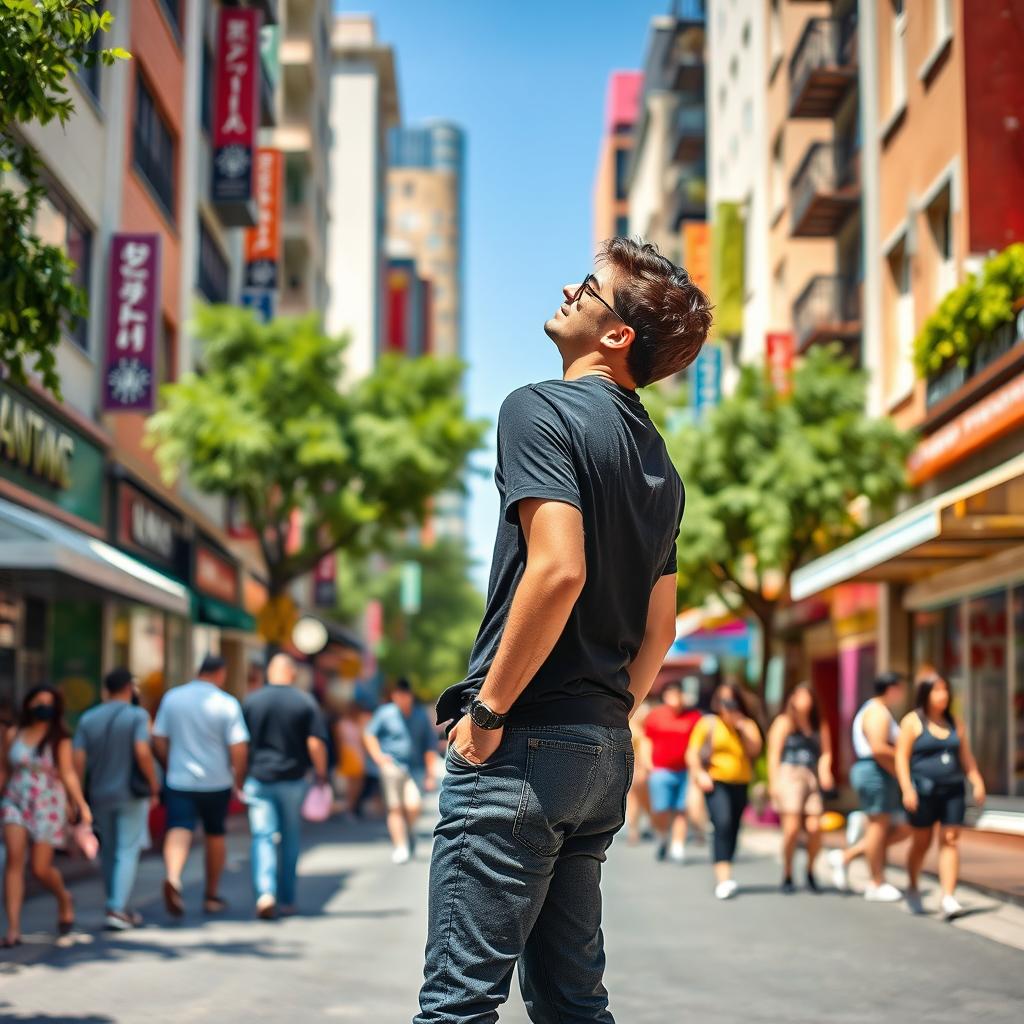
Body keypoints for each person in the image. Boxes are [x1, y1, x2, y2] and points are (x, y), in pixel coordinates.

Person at [415, 237, 710, 1024]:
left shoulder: (538, 408)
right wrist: (611, 716)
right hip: (600, 746)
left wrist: (487, 713)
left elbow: (557, 570)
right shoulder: (661, 467)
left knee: (458, 1005)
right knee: (573, 1002)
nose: (568, 291)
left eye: (588, 287)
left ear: (616, 336)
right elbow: (663, 628)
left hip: (523, 740)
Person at [152, 654, 249, 918]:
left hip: (179, 778)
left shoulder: (173, 697)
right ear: (220, 674)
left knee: (179, 827)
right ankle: (211, 895)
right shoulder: (227, 703)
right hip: (216, 780)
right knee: (215, 833)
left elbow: (158, 738)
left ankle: (173, 877)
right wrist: (238, 778)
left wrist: (168, 763)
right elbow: (239, 747)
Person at [1, 685, 91, 947]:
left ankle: (64, 898)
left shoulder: (59, 738)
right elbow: (4, 770)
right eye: (38, 701)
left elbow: (68, 773)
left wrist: (80, 804)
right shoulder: (13, 733)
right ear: (28, 704)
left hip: (47, 803)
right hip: (15, 799)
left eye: (48, 702)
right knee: (14, 861)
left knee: (40, 868)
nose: (43, 706)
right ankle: (13, 930)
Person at [242, 653, 329, 919]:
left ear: (270, 673)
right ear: (291, 673)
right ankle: (288, 899)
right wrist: (321, 775)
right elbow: (315, 743)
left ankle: (265, 893)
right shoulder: (304, 702)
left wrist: (239, 776)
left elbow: (240, 744)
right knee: (290, 839)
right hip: (292, 781)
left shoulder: (250, 701)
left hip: (258, 779)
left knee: (262, 837)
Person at [73, 668, 160, 930]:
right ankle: (117, 907)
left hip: (99, 794)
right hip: (130, 794)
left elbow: (78, 759)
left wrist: (78, 796)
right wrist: (154, 784)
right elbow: (142, 751)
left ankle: (114, 902)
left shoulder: (88, 718)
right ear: (129, 688)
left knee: (109, 850)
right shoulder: (137, 715)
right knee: (127, 849)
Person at [895, 669, 985, 919]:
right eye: (936, 690)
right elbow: (901, 758)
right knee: (921, 842)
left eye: (945, 689)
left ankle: (948, 896)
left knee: (951, 839)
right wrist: (906, 788)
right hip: (923, 791)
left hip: (952, 790)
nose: (942, 695)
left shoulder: (956, 723)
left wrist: (976, 780)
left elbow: (966, 758)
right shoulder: (912, 721)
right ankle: (913, 887)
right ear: (925, 693)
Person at [827, 672, 911, 903]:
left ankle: (846, 856)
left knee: (897, 827)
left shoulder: (878, 710)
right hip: (875, 772)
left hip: (877, 772)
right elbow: (878, 748)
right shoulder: (876, 711)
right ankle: (876, 881)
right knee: (879, 826)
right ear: (891, 688)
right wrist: (903, 765)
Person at [687, 683, 762, 900]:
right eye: (724, 701)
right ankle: (723, 878)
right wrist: (700, 774)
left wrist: (743, 728)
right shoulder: (708, 723)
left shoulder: (746, 724)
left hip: (741, 782)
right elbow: (692, 753)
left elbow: (755, 750)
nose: (728, 707)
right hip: (716, 781)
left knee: (735, 827)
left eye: (732, 702)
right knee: (723, 822)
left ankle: (727, 864)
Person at [767, 682, 834, 893]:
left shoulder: (817, 724)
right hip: (789, 775)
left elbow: (826, 752)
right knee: (792, 829)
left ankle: (810, 869)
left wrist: (825, 771)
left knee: (815, 827)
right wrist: (774, 782)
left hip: (810, 776)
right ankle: (787, 872)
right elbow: (774, 753)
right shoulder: (784, 722)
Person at [364, 679, 439, 865]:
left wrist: (430, 773)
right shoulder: (385, 713)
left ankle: (408, 831)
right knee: (395, 807)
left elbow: (429, 745)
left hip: (414, 768)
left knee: (414, 806)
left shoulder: (420, 715)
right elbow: (369, 734)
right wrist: (378, 756)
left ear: (410, 696)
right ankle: (400, 846)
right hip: (392, 765)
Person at [644, 680, 701, 862]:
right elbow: (647, 740)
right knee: (661, 809)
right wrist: (647, 763)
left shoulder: (693, 717)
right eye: (671, 695)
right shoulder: (656, 716)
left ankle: (678, 845)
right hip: (661, 770)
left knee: (681, 809)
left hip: (685, 771)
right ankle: (662, 837)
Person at [625, 700, 652, 845]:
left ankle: (636, 829)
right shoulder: (636, 730)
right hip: (637, 769)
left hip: (639, 769)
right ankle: (634, 829)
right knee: (636, 801)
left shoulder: (636, 729)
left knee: (638, 801)